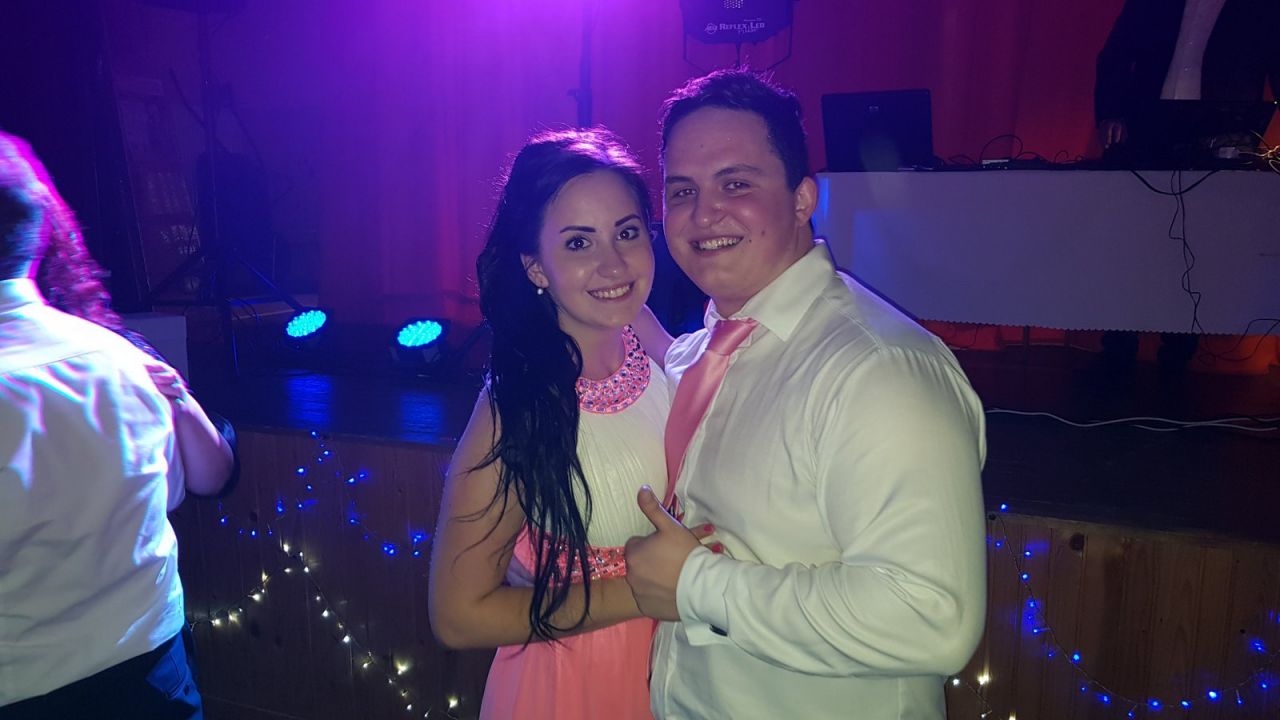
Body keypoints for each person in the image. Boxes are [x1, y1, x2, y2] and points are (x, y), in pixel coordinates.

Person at [622, 70, 988, 719]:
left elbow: (933, 619)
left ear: (801, 199)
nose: (703, 214)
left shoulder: (880, 371)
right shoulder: (712, 348)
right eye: (682, 191)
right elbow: (674, 364)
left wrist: (696, 584)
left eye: (736, 183)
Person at [428, 129, 713, 720]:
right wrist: (643, 589)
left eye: (627, 233)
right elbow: (457, 616)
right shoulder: (517, 407)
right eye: (579, 242)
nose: (614, 264)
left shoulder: (645, 331)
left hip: (688, 667)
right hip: (576, 683)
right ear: (536, 266)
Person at [1, 130, 229, 718]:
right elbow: (174, 491)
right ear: (39, 233)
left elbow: (208, 477)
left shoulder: (127, 360)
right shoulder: (121, 357)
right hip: (151, 671)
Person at [1095, 0, 1280, 150]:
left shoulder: (1263, 6)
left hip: (1223, 137)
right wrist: (1110, 113)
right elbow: (1116, 55)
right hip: (1148, 130)